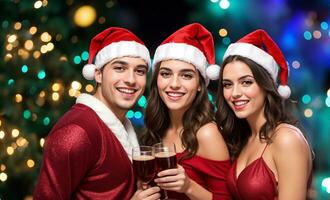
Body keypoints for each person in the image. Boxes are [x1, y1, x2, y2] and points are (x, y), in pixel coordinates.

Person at [34, 27, 160, 200]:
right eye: (120, 68)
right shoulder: (76, 132)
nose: (131, 80)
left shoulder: (121, 125)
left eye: (140, 71)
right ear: (98, 74)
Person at [215, 29, 313, 200]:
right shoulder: (244, 137)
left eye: (246, 82)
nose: (235, 93)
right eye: (227, 84)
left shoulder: (286, 139)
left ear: (265, 85)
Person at [141, 23, 231, 200]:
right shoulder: (157, 127)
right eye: (166, 74)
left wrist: (189, 187)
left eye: (186, 75)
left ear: (199, 85)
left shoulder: (206, 133)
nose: (174, 84)